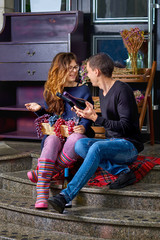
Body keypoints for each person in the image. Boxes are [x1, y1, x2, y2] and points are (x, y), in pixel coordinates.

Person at [48, 52, 144, 214]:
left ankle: (65, 196)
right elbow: (106, 125)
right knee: (80, 145)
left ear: (97, 71)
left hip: (129, 146)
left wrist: (96, 118)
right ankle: (123, 172)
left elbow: (126, 127)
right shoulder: (102, 92)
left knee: (96, 148)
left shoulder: (122, 90)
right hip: (112, 143)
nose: (86, 74)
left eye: (88, 71)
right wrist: (88, 115)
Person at [25, 52, 94, 209]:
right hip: (58, 136)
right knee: (51, 139)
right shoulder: (51, 89)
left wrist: (83, 125)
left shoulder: (83, 90)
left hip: (75, 135)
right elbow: (51, 117)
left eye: (75, 67)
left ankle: (40, 174)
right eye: (69, 68)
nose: (74, 71)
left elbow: (88, 115)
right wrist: (40, 110)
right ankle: (41, 194)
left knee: (76, 139)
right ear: (60, 69)